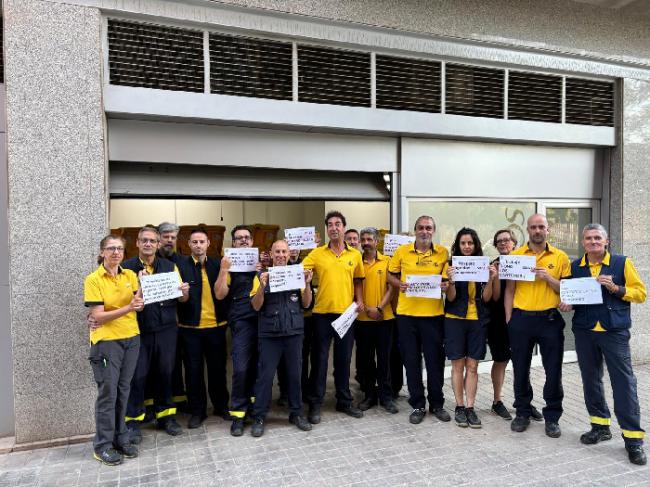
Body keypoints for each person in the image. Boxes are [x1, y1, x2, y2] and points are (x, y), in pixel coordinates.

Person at [559, 223, 647, 465]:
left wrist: (616, 288)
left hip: (614, 332)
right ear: (583, 242)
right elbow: (573, 297)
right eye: (588, 238)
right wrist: (568, 304)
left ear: (606, 241)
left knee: (624, 383)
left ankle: (633, 440)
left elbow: (640, 293)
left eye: (598, 238)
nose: (593, 242)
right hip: (586, 331)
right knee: (590, 379)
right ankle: (600, 426)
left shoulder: (621, 263)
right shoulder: (576, 266)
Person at [505, 213, 570, 438]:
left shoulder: (560, 257)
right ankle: (522, 412)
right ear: (528, 230)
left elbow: (566, 290)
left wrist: (548, 278)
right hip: (521, 319)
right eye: (533, 227)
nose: (537, 230)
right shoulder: (515, 255)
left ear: (548, 230)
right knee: (520, 369)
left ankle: (552, 417)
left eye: (541, 226)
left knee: (553, 370)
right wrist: (509, 319)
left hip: (549, 320)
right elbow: (510, 290)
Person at [122, 226, 188, 441]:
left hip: (166, 329)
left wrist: (184, 294)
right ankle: (133, 422)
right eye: (144, 241)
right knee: (137, 375)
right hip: (138, 330)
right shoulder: (127, 268)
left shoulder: (170, 266)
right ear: (137, 244)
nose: (148, 244)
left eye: (152, 241)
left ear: (158, 244)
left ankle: (166, 417)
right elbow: (122, 300)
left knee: (165, 372)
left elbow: (182, 299)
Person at [84, 235, 143, 465]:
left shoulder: (129, 275)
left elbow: (139, 304)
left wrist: (142, 293)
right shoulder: (93, 279)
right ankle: (102, 445)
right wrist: (128, 307)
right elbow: (97, 315)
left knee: (123, 390)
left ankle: (121, 438)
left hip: (131, 338)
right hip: (107, 342)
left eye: (119, 248)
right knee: (108, 394)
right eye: (111, 248)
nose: (116, 252)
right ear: (102, 253)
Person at [302, 211, 365, 423]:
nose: (334, 227)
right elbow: (299, 270)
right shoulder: (317, 253)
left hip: (346, 315)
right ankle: (316, 403)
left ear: (344, 228)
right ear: (327, 229)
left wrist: (360, 300)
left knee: (343, 360)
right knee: (319, 361)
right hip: (321, 315)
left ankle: (344, 401)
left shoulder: (354, 255)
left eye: (338, 224)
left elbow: (358, 280)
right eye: (330, 224)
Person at [387, 216, 451, 424]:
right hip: (407, 316)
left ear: (434, 231)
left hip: (433, 317)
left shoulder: (443, 253)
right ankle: (417, 405)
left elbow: (446, 280)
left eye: (429, 228)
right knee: (411, 362)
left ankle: (437, 404)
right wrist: (399, 284)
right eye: (421, 228)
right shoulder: (402, 251)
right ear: (415, 231)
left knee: (435, 363)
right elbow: (389, 276)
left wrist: (444, 285)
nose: (425, 231)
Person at [248, 240, 314, 437]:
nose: (281, 255)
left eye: (284, 251)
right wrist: (262, 286)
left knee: (295, 375)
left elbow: (307, 303)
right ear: (271, 253)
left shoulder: (297, 273)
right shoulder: (261, 275)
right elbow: (256, 306)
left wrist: (308, 283)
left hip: (294, 332)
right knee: (265, 377)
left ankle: (296, 413)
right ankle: (259, 416)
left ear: (288, 254)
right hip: (270, 335)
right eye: (277, 251)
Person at [443, 228, 497, 428]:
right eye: (463, 243)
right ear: (457, 245)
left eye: (470, 243)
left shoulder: (483, 265)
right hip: (455, 318)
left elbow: (487, 298)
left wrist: (491, 279)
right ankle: (459, 406)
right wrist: (450, 281)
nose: (467, 247)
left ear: (475, 245)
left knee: (473, 366)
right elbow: (451, 298)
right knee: (457, 365)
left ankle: (470, 408)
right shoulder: (450, 265)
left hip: (478, 319)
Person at [488, 229, 543, 422]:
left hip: (521, 319)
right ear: (496, 245)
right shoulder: (492, 265)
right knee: (501, 360)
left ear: (514, 243)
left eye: (507, 240)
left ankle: (524, 401)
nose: (503, 243)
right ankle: (497, 401)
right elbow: (494, 298)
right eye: (499, 241)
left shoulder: (524, 262)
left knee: (522, 363)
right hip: (498, 321)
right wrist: (493, 277)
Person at [177, 228, 229, 429]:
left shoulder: (218, 264)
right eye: (194, 242)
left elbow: (224, 292)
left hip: (217, 327)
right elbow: (180, 299)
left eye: (202, 241)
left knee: (218, 369)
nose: (198, 245)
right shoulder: (179, 266)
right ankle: (197, 411)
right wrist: (183, 294)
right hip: (190, 329)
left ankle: (221, 406)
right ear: (188, 244)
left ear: (208, 244)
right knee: (193, 371)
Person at [215, 225, 260, 436]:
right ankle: (238, 414)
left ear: (252, 242)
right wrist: (224, 270)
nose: (243, 241)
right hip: (242, 321)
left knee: (260, 369)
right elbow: (220, 294)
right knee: (241, 368)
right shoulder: (229, 266)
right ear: (233, 243)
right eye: (239, 238)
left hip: (264, 321)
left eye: (247, 238)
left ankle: (255, 409)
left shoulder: (261, 264)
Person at [355, 227, 398, 414]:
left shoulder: (387, 261)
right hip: (362, 320)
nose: (366, 242)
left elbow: (392, 288)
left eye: (369, 239)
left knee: (384, 359)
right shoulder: (357, 262)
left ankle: (386, 397)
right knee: (366, 360)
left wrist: (379, 308)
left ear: (376, 241)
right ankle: (369, 395)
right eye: (363, 239)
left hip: (384, 318)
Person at [157, 222, 188, 414]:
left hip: (180, 322)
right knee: (159, 365)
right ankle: (154, 404)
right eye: (166, 237)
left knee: (176, 363)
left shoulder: (182, 262)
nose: (169, 241)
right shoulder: (150, 261)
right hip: (157, 322)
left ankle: (180, 399)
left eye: (173, 237)